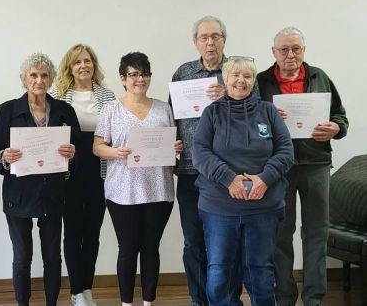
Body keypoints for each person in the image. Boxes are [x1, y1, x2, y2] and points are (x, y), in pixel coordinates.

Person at [256, 27, 349, 306]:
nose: (290, 55)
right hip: (277, 168)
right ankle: (284, 298)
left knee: (316, 233)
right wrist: (267, 117)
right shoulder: (260, 81)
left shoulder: (320, 77)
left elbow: (341, 117)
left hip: (316, 165)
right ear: (273, 52)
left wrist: (336, 128)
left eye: (296, 48)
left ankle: (314, 299)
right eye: (284, 49)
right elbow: (248, 123)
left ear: (304, 50)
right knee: (280, 235)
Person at [192, 56, 294, 306]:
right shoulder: (211, 113)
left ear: (253, 80)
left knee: (260, 272)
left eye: (247, 76)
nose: (241, 80)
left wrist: (264, 179)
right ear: (225, 80)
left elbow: (286, 151)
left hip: (263, 207)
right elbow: (200, 153)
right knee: (219, 273)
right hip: (219, 208)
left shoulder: (269, 112)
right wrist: (229, 179)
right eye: (235, 75)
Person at [0, 53, 81, 306]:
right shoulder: (8, 110)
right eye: (33, 75)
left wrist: (72, 154)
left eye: (44, 75)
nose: (39, 80)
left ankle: (52, 303)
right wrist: (3, 155)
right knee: (22, 256)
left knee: (52, 256)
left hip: (53, 192)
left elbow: (78, 151)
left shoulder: (64, 111)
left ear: (51, 79)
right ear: (23, 79)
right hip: (19, 194)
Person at [93, 52, 183, 306]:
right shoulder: (111, 109)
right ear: (123, 79)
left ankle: (148, 302)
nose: (139, 79)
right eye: (133, 75)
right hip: (122, 191)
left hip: (159, 189)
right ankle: (126, 303)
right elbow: (97, 146)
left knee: (151, 248)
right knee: (128, 249)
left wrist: (175, 147)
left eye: (144, 74)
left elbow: (173, 144)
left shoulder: (164, 109)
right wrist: (115, 152)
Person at [49, 44, 115, 306]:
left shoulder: (108, 96)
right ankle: (76, 291)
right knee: (73, 232)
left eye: (87, 61)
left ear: (94, 65)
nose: (83, 66)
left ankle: (87, 288)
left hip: (100, 170)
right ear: (69, 67)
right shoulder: (57, 95)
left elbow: (115, 133)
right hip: (69, 172)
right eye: (77, 62)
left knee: (93, 232)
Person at [170, 15, 229, 306]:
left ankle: (221, 298)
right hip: (189, 170)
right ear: (195, 42)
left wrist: (228, 96)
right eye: (204, 37)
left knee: (221, 241)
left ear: (224, 40)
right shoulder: (183, 73)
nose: (210, 42)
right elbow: (172, 118)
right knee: (193, 240)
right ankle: (198, 299)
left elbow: (255, 111)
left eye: (215, 36)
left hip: (224, 173)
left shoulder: (236, 72)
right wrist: (171, 144)